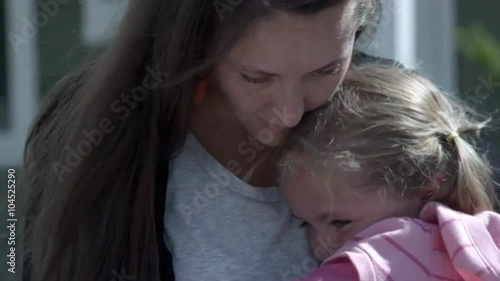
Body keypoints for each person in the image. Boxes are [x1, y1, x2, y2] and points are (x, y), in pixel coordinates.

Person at [20, 1, 389, 281]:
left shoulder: (395, 116)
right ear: (194, 43)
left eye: (325, 71)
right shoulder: (98, 128)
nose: (289, 112)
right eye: (256, 77)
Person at [278, 63, 500, 280]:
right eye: (306, 225)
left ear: (426, 188)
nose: (320, 246)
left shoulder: (374, 258)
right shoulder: (482, 242)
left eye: (340, 223)